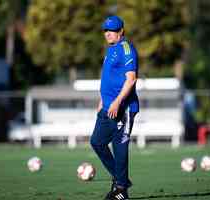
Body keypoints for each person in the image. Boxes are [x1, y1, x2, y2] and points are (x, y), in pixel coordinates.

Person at [90, 15, 139, 200]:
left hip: (123, 108)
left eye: (112, 30)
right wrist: (102, 101)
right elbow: (109, 79)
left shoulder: (126, 49)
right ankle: (121, 180)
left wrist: (118, 102)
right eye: (106, 30)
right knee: (97, 142)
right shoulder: (111, 50)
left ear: (121, 31)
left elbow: (131, 79)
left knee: (120, 148)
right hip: (107, 107)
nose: (108, 33)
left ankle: (121, 190)